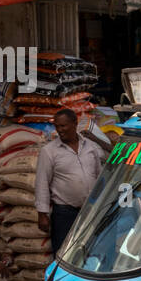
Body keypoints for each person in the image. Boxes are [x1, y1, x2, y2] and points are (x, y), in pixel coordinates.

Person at [36, 108, 105, 254]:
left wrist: (101, 203)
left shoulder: (90, 146)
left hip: (89, 210)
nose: (60, 130)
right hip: (65, 213)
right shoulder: (49, 151)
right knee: (64, 253)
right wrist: (42, 214)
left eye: (63, 126)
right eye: (57, 126)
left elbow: (99, 176)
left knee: (91, 250)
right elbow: (42, 182)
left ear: (75, 123)